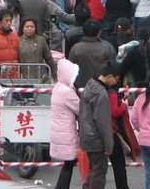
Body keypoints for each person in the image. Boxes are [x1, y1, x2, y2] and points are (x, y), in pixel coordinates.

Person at [78, 63, 120, 189]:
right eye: (116, 79)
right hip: (97, 140)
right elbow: (103, 123)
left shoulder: (89, 85)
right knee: (99, 174)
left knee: (92, 171)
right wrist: (109, 145)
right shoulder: (101, 94)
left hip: (86, 136)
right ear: (110, 76)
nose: (116, 82)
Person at [50, 58, 81, 189]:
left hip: (59, 132)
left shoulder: (58, 88)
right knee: (68, 165)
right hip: (66, 133)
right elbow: (80, 108)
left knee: (67, 165)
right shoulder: (67, 92)